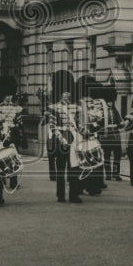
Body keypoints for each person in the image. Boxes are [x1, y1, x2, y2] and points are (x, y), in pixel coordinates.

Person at [45, 70, 82, 204]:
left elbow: (79, 125)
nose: (67, 94)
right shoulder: (53, 108)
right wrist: (62, 139)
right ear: (59, 92)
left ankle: (74, 195)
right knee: (61, 169)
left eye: (68, 91)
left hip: (73, 137)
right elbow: (53, 126)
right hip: (61, 138)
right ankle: (61, 195)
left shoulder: (76, 108)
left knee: (74, 168)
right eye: (64, 92)